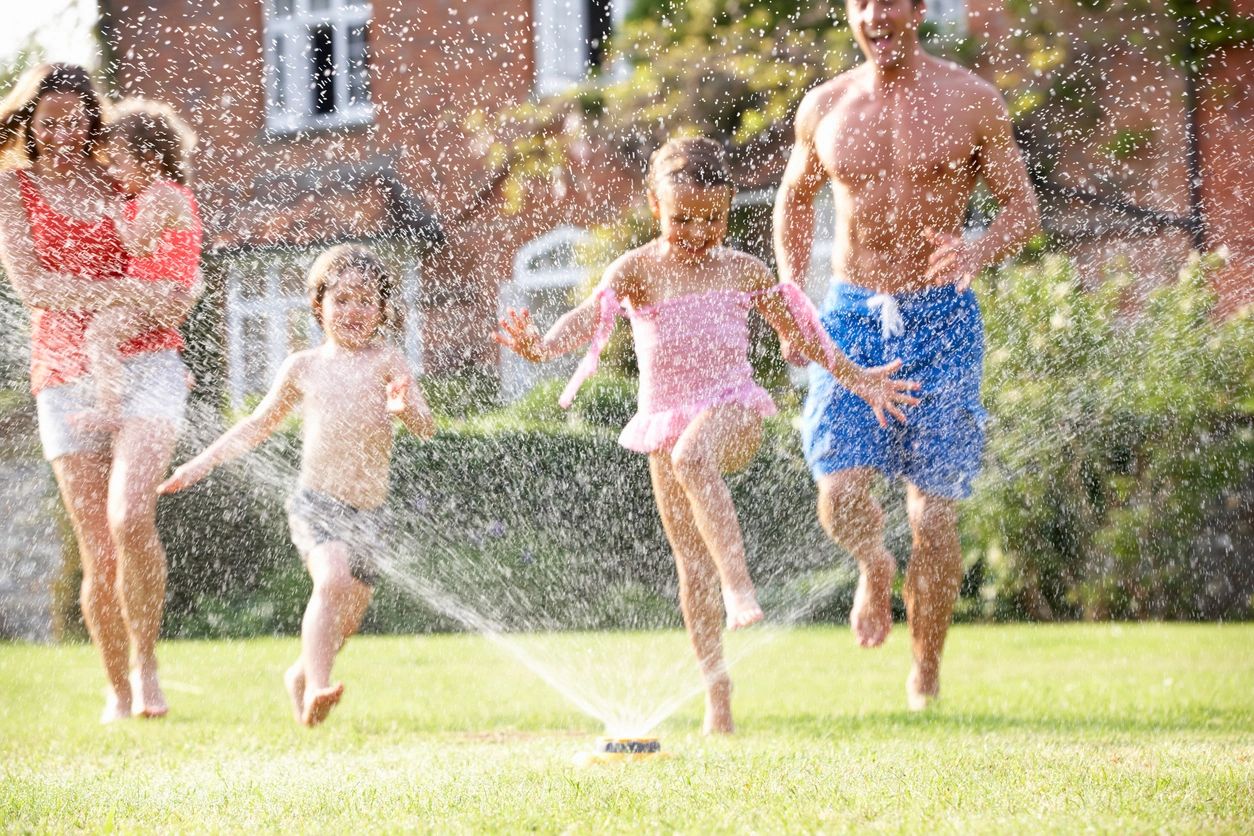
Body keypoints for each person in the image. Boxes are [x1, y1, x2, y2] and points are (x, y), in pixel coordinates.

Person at [495, 137, 918, 733]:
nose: (698, 231)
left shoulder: (742, 269)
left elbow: (805, 330)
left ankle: (741, 588)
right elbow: (588, 318)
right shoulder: (637, 270)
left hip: (732, 412)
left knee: (695, 457)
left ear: (728, 209)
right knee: (691, 566)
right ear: (654, 207)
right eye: (682, 219)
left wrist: (859, 380)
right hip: (663, 423)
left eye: (713, 218)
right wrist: (540, 345)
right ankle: (717, 695)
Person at [773, 0, 1041, 710]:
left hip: (942, 317)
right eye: (861, 2)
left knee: (934, 518)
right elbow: (794, 201)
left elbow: (1023, 208)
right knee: (839, 492)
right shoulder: (825, 105)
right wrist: (791, 301)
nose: (875, 14)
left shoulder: (971, 100)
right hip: (851, 313)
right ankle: (873, 562)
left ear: (918, 8)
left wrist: (979, 247)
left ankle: (925, 669)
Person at [158, 244, 436, 727]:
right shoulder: (303, 367)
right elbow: (256, 425)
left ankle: (302, 674)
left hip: (370, 511)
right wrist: (199, 464)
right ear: (318, 305)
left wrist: (404, 409)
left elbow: (426, 426)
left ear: (383, 310)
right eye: (342, 299)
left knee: (347, 616)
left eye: (366, 300)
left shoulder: (388, 360)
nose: (353, 310)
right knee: (331, 580)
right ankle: (319, 687)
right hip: (317, 504)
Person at [0, 64, 201, 722]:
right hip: (63, 371)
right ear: (28, 121)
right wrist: (134, 296)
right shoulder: (13, 187)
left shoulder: (118, 169)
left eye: (75, 118)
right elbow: (36, 290)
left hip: (147, 361)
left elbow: (174, 257)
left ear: (93, 118)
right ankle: (117, 687)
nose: (64, 132)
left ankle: (147, 665)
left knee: (130, 518)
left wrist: (170, 305)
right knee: (98, 548)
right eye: (49, 119)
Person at [74, 98, 201, 433]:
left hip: (155, 295)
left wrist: (115, 214)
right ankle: (174, 373)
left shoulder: (161, 194)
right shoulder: (162, 194)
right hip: (161, 295)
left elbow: (139, 246)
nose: (113, 173)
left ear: (149, 159)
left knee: (100, 335)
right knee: (118, 333)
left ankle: (110, 408)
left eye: (117, 162)